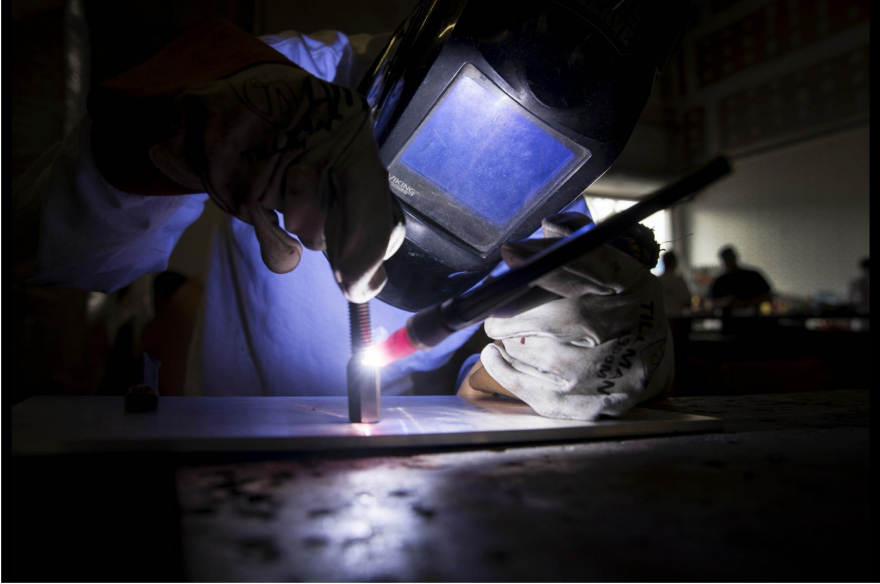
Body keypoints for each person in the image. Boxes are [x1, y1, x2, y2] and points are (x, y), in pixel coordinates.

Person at [12, 2, 685, 421]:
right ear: (410, 67)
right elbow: (53, 256)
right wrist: (169, 140)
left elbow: (486, 388)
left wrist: (582, 366)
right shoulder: (292, 82)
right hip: (234, 445)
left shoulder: (557, 203)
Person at [657, 250, 692, 316]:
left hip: (661, 318)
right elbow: (688, 302)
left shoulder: (657, 280)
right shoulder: (679, 280)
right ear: (673, 262)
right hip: (677, 319)